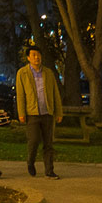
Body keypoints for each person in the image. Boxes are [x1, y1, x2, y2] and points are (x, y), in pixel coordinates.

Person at [15, 47, 63, 178]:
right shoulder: (22, 73)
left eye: (39, 55)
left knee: (48, 143)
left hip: (47, 113)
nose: (37, 57)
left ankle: (49, 170)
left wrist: (59, 112)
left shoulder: (48, 73)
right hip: (32, 113)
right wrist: (21, 112)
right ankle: (30, 162)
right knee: (34, 141)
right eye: (34, 55)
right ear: (29, 58)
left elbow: (55, 93)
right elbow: (20, 95)